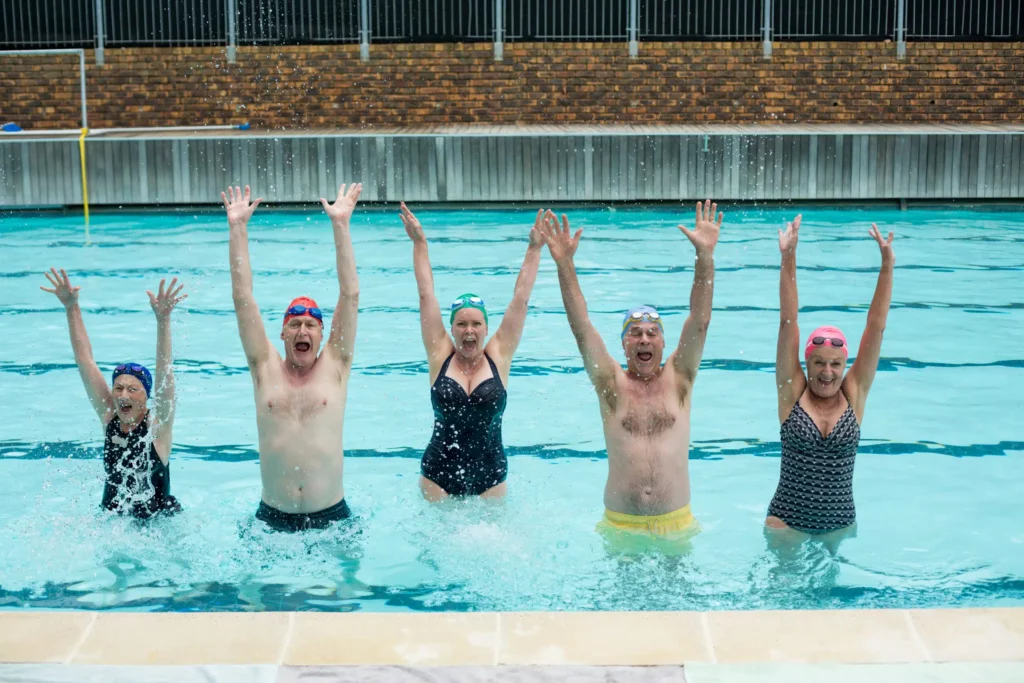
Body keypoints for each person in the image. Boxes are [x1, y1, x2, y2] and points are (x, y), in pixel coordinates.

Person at [540, 201, 722, 549]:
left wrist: (705, 256)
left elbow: (700, 320)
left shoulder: (679, 379)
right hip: (620, 526)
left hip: (677, 524)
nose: (644, 339)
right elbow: (582, 328)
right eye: (635, 333)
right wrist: (565, 264)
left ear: (664, 342)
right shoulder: (611, 386)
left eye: (652, 333)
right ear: (623, 345)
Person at [223, 184, 362, 532]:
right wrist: (237, 228)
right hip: (272, 519)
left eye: (311, 325)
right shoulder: (263, 367)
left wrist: (341, 226)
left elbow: (351, 294)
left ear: (321, 334)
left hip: (333, 518)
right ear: (282, 333)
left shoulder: (336, 365)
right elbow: (242, 297)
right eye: (295, 325)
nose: (303, 332)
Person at [399, 203, 545, 501]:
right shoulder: (440, 354)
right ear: (451, 329)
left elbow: (521, 299)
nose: (469, 331)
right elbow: (426, 293)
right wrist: (419, 243)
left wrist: (534, 249)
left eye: (476, 323)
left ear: (486, 328)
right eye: (462, 324)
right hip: (437, 476)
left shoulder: (499, 356)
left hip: (490, 477)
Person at [766, 216, 894, 544]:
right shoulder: (792, 392)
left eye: (836, 364)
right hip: (787, 524)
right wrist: (788, 256)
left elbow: (876, 327)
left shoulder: (854, 393)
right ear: (806, 363)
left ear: (845, 364)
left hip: (839, 525)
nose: (827, 372)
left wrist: (887, 266)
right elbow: (788, 321)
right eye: (819, 362)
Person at [41, 269, 186, 519]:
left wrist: (163, 321)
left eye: (132, 389)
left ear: (147, 396)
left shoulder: (157, 427)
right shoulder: (109, 416)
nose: (123, 395)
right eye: (118, 388)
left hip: (157, 525)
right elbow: (85, 360)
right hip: (112, 521)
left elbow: (164, 372)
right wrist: (71, 307)